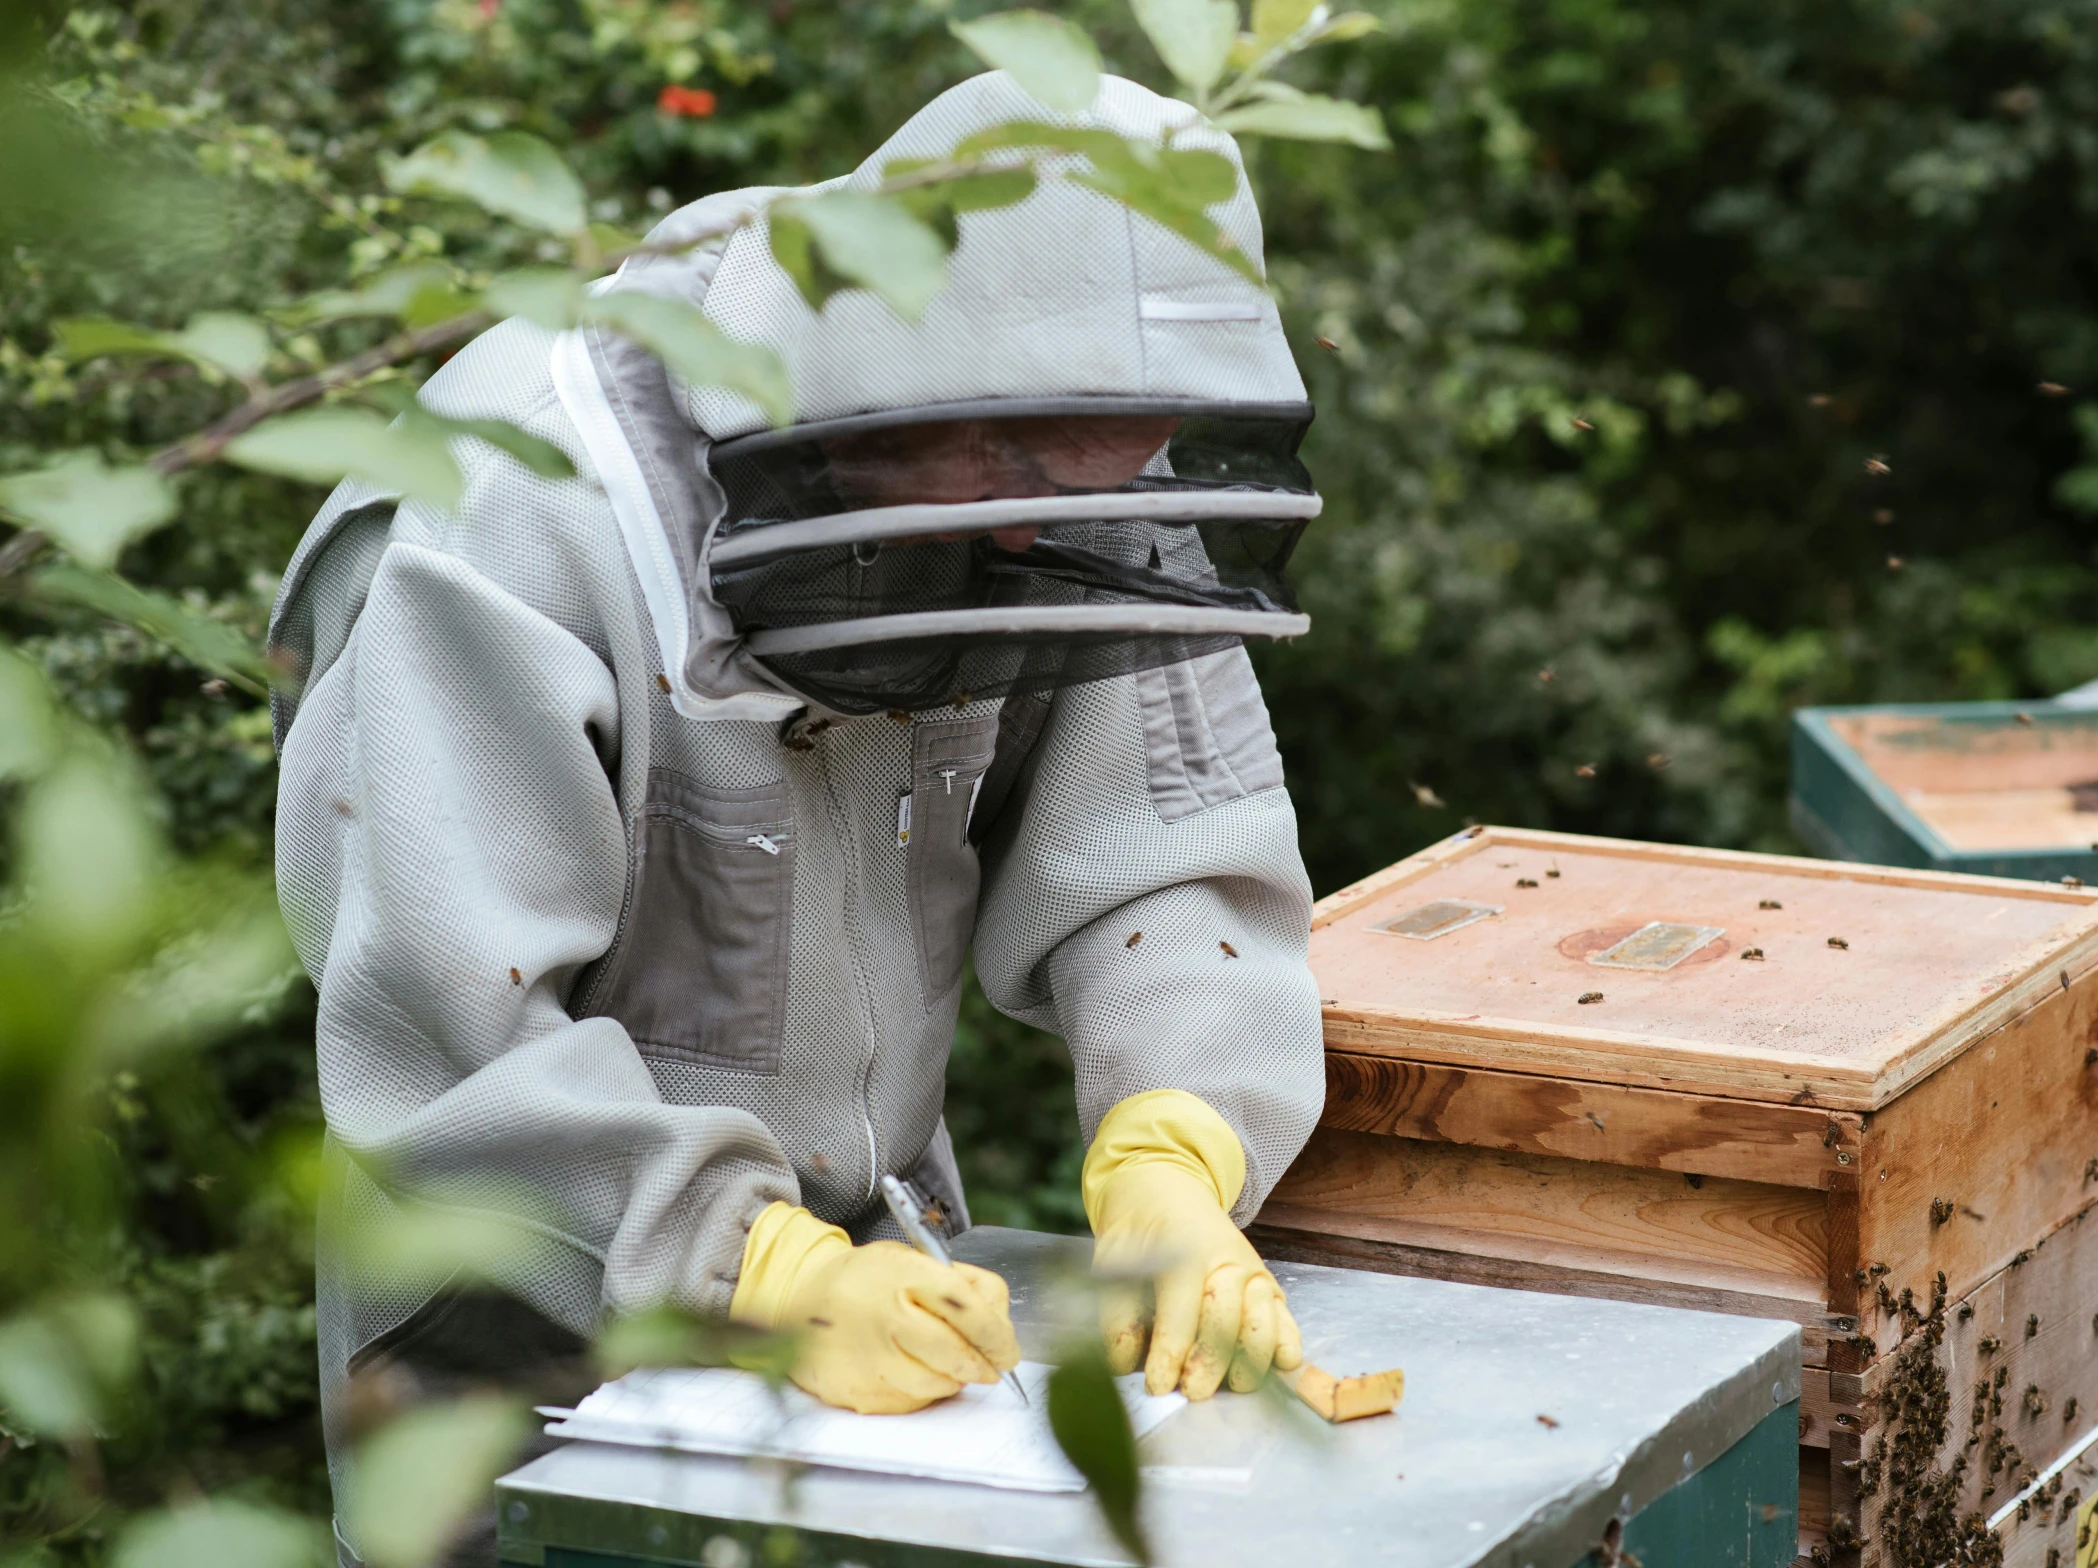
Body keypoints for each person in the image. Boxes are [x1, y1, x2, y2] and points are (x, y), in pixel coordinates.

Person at [270, 68, 1326, 1566]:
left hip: (883, 1316)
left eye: (1105, 463)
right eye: (1020, 463)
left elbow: (1167, 851)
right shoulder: (511, 502)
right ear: (896, 350)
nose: (1035, 527)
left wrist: (1176, 1139)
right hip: (504, 1337)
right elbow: (444, 1029)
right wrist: (750, 1263)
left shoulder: (1055, 477)